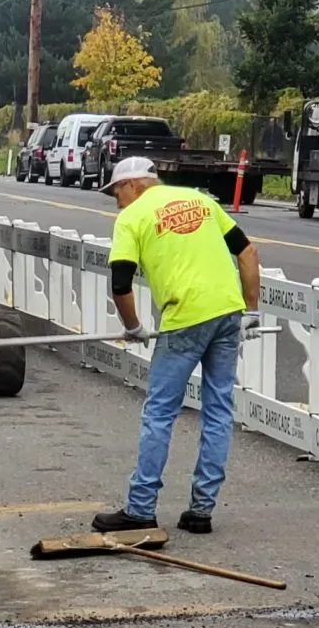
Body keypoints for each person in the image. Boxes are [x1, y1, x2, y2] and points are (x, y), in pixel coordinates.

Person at [92, 156, 261, 537]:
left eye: (116, 191)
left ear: (132, 185)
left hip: (184, 318)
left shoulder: (131, 218)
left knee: (160, 413)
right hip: (227, 312)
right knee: (218, 410)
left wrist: (133, 326)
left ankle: (140, 509)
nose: (115, 201)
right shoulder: (200, 200)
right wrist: (252, 310)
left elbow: (120, 283)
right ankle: (201, 510)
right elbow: (247, 252)